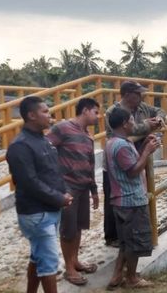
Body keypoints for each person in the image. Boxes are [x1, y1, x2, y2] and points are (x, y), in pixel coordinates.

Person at [6, 96, 73, 293]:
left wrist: (65, 191)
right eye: (45, 112)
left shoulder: (44, 140)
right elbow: (29, 183)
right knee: (49, 263)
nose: (49, 116)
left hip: (50, 209)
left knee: (38, 256)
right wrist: (58, 198)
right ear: (31, 115)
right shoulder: (20, 146)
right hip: (37, 213)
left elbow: (53, 172)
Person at [102, 81, 166, 247]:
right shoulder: (113, 112)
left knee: (137, 195)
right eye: (138, 93)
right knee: (114, 201)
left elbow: (159, 110)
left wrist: (159, 118)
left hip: (136, 157)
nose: (141, 96)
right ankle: (114, 237)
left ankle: (133, 235)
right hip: (118, 163)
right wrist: (146, 126)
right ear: (128, 94)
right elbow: (117, 134)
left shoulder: (142, 107)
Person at [46, 98, 100, 286]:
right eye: (95, 111)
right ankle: (69, 268)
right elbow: (45, 149)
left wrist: (94, 190)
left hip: (84, 187)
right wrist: (55, 179)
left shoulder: (88, 136)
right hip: (66, 187)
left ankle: (75, 261)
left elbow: (90, 164)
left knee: (78, 226)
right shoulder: (62, 128)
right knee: (68, 229)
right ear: (85, 110)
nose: (97, 116)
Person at [105, 107, 160, 289]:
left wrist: (145, 146)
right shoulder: (120, 145)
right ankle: (132, 279)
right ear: (124, 123)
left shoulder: (115, 142)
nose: (134, 124)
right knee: (134, 242)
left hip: (122, 200)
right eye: (131, 121)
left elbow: (131, 162)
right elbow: (133, 171)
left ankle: (117, 276)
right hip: (131, 201)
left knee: (126, 240)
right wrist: (146, 153)